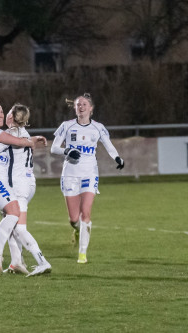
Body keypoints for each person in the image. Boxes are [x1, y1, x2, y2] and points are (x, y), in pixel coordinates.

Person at [0, 103, 52, 277]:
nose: (2, 115)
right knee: (11, 221)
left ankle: (40, 261)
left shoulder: (10, 134)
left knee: (17, 225)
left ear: (11, 117)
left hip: (18, 185)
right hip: (25, 183)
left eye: (4, 112)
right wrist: (31, 139)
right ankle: (16, 260)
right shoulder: (17, 133)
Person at [50, 93, 124, 264]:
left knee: (86, 213)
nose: (81, 107)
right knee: (73, 219)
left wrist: (117, 158)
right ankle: (76, 230)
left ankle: (82, 254)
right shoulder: (66, 126)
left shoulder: (98, 127)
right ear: (75, 108)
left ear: (91, 108)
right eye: (78, 105)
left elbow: (108, 144)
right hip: (70, 175)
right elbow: (54, 148)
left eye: (84, 104)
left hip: (90, 174)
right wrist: (67, 151)